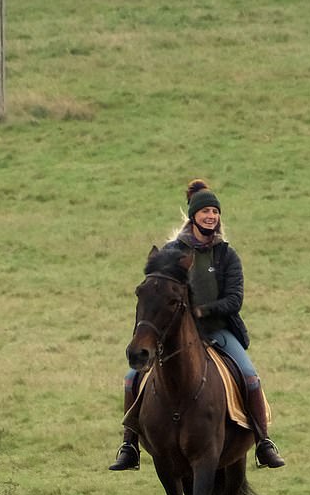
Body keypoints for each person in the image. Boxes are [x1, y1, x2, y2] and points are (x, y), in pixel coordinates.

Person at [109, 178, 285, 470]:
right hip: (175, 336)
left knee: (250, 377)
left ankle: (263, 442)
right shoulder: (171, 252)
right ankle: (129, 445)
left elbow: (234, 299)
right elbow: (156, 289)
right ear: (194, 216)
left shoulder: (226, 255)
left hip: (217, 330)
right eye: (205, 212)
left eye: (215, 212)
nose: (211, 217)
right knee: (131, 378)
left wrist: (201, 312)